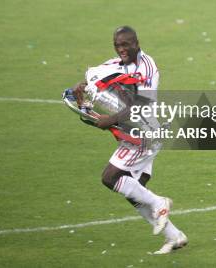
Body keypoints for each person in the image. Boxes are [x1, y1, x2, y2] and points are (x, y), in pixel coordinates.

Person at [73, 26, 188, 255]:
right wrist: (82, 87)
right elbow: (98, 77)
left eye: (126, 44)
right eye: (117, 45)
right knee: (134, 189)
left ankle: (158, 203)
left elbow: (143, 105)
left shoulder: (148, 67)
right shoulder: (116, 63)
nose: (122, 49)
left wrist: (111, 119)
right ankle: (175, 236)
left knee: (111, 177)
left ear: (137, 42)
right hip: (133, 132)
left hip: (145, 133)